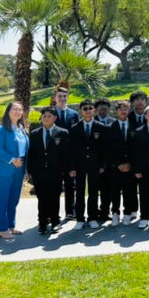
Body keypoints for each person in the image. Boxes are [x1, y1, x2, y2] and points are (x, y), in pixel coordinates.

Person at [27, 107, 69, 234]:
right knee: (42, 198)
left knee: (54, 197)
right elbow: (31, 154)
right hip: (39, 172)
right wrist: (31, 171)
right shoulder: (34, 134)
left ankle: (55, 222)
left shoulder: (62, 133)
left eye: (49, 116)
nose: (46, 119)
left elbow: (66, 154)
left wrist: (64, 170)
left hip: (56, 172)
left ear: (54, 118)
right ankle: (43, 223)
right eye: (44, 116)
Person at [0, 101, 29, 240]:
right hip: (4, 169)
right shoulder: (1, 129)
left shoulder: (22, 129)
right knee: (2, 199)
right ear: (8, 111)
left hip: (19, 169)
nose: (18, 112)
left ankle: (11, 225)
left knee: (14, 199)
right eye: (15, 109)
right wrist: (12, 159)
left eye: (20, 109)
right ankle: (1, 228)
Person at [68, 99, 107, 230]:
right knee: (79, 192)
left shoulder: (100, 127)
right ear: (81, 111)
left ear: (94, 110)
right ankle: (79, 218)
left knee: (93, 192)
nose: (88, 111)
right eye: (85, 109)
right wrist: (72, 167)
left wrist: (102, 165)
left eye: (90, 108)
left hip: (95, 165)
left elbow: (103, 149)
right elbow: (71, 150)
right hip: (79, 166)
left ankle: (93, 217)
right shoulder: (74, 129)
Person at [106, 100, 138, 226]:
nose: (123, 111)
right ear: (116, 111)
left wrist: (130, 164)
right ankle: (115, 213)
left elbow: (137, 148)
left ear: (129, 110)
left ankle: (127, 213)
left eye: (126, 108)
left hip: (130, 166)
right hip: (115, 167)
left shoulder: (135, 126)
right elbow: (107, 150)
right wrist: (118, 164)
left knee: (129, 191)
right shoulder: (109, 128)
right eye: (121, 109)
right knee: (115, 191)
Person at [53, 86, 79, 219]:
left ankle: (70, 211)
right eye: (59, 96)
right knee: (55, 186)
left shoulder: (74, 114)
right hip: (55, 155)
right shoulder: (50, 113)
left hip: (70, 155)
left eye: (64, 96)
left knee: (71, 185)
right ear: (55, 98)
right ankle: (53, 214)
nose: (62, 99)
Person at [94, 98, 115, 222]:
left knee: (108, 189)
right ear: (96, 110)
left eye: (105, 108)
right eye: (100, 109)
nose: (103, 111)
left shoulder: (114, 122)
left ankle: (105, 211)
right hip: (96, 163)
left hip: (111, 163)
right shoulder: (92, 122)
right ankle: (93, 213)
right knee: (94, 190)